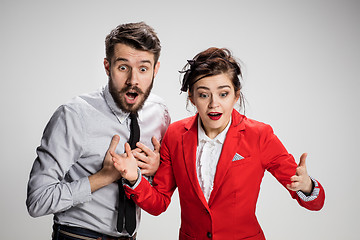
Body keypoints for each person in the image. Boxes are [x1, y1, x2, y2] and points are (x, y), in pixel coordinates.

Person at [110, 47, 325, 240]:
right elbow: (159, 203)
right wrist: (134, 178)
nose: (214, 104)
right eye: (204, 95)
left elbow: (315, 202)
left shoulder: (260, 135)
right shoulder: (176, 135)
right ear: (192, 98)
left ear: (236, 96)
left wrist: (306, 186)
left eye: (223, 94)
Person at [26, 22, 170, 240]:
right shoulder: (73, 116)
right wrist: (102, 178)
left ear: (155, 69)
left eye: (143, 69)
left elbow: (158, 191)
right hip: (77, 235)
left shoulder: (160, 114)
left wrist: (157, 168)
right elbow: (37, 201)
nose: (133, 80)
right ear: (107, 66)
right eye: (123, 67)